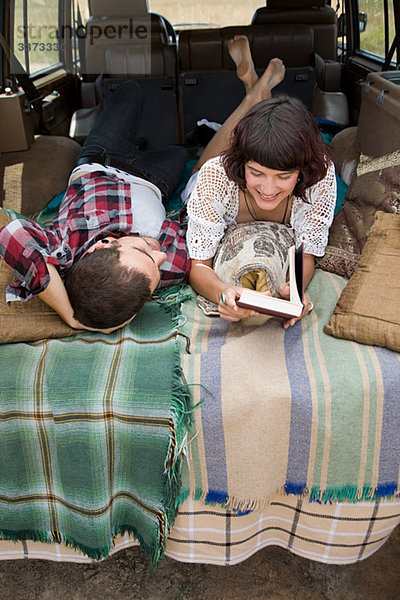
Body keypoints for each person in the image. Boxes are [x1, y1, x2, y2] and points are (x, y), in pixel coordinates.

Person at [0, 80, 190, 332]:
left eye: (145, 253)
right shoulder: (170, 268)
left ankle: (118, 116)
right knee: (183, 151)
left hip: (103, 157)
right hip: (155, 179)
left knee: (132, 90)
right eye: (157, 267)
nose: (161, 256)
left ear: (104, 245)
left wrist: (71, 317)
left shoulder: (67, 248)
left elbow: (13, 234)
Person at [183, 35, 336, 328]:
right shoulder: (217, 176)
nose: (268, 189)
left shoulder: (320, 175)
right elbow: (199, 266)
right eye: (257, 173)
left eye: (283, 177)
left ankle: (256, 87)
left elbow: (307, 255)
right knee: (199, 167)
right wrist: (224, 294)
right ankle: (255, 90)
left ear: (302, 171)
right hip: (204, 182)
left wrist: (297, 292)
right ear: (242, 165)